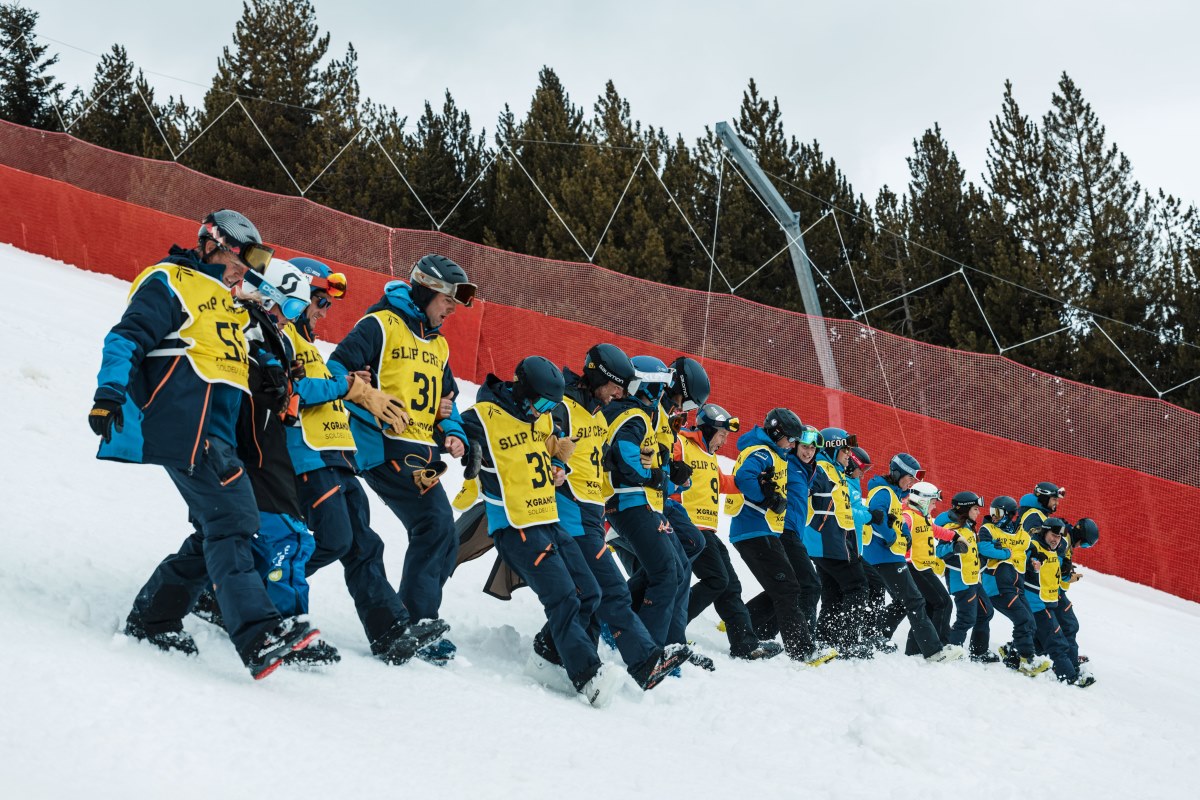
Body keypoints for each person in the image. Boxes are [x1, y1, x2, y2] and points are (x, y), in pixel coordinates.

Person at [90, 209, 320, 680]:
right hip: (186, 425)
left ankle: (153, 619)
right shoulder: (171, 279)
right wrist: (109, 392)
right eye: (241, 258)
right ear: (212, 244)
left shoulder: (233, 304)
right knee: (235, 520)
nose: (245, 271)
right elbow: (128, 335)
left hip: (218, 433)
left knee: (218, 528)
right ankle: (257, 634)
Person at [282, 257, 448, 665]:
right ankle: (250, 595)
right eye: (320, 303)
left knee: (364, 545)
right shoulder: (284, 336)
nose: (325, 313)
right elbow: (296, 390)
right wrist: (352, 388)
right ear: (298, 296)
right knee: (331, 540)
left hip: (335, 454)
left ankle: (390, 631)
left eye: (327, 306)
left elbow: (331, 385)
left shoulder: (308, 343)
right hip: (307, 455)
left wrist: (352, 389)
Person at [327, 254, 475, 664]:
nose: (451, 308)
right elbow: (335, 370)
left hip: (422, 451)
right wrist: (363, 396)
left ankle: (411, 617)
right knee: (435, 524)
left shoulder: (439, 344)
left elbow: (448, 403)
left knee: (444, 539)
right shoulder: (380, 325)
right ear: (426, 289)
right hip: (386, 447)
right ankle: (418, 621)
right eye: (447, 298)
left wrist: (454, 432)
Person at [459, 356, 622, 707]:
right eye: (542, 402)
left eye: (551, 405)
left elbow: (554, 445)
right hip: (515, 525)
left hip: (547, 518)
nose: (543, 411)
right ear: (521, 390)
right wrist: (463, 446)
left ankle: (550, 657)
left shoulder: (541, 417)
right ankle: (586, 674)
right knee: (563, 596)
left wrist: (559, 466)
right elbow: (457, 430)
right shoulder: (486, 417)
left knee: (590, 592)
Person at [532, 344, 691, 688]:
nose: (620, 393)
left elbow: (603, 462)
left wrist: (647, 464)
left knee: (591, 592)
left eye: (625, 387)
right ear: (597, 378)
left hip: (591, 511)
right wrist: (554, 462)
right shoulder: (567, 407)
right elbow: (542, 440)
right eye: (616, 386)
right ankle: (643, 661)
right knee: (613, 589)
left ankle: (555, 649)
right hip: (569, 512)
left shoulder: (596, 414)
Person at [728, 409, 836, 666]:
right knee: (796, 586)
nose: (802, 449)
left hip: (771, 529)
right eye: (797, 442)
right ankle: (802, 648)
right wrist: (766, 497)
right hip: (761, 528)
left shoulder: (781, 457)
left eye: (812, 448)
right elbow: (744, 477)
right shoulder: (770, 454)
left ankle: (749, 627)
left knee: (787, 586)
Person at [676, 403, 781, 660]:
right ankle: (671, 625)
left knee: (729, 584)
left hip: (706, 531)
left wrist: (754, 483)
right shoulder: (682, 444)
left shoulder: (709, 456)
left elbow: (721, 483)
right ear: (708, 429)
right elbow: (668, 466)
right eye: (721, 434)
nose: (724, 441)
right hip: (688, 527)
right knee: (718, 580)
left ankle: (745, 643)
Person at [602, 355, 691, 653]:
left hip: (640, 504)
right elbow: (628, 459)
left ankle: (662, 643)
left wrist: (662, 475)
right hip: (631, 503)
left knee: (674, 571)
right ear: (649, 387)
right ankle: (649, 649)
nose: (665, 394)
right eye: (662, 387)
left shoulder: (637, 413)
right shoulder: (633, 416)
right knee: (667, 574)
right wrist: (652, 476)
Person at [863, 453, 951, 661]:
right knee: (915, 600)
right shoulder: (883, 492)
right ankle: (933, 651)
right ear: (897, 473)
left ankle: (876, 636)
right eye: (909, 478)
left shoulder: (894, 494)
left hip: (889, 555)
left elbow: (894, 518)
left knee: (906, 601)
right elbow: (877, 518)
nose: (911, 483)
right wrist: (893, 537)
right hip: (884, 555)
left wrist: (904, 534)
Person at [745, 423, 823, 641]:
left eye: (813, 449)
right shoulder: (788, 463)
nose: (808, 452)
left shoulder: (808, 469)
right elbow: (764, 476)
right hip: (782, 530)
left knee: (788, 586)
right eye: (805, 446)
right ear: (796, 444)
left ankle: (747, 622)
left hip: (794, 532)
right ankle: (806, 639)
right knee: (810, 584)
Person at [803, 427, 871, 656]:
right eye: (845, 449)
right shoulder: (822, 470)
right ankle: (848, 642)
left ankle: (826, 638)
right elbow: (805, 494)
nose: (848, 455)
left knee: (833, 592)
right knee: (858, 587)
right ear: (832, 449)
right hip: (827, 542)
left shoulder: (835, 471)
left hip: (830, 543)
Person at [980, 496, 1051, 676]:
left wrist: (1035, 562)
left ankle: (1013, 655)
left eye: (998, 513)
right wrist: (1005, 553)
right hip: (997, 586)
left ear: (1010, 515)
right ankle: (1027, 660)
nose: (993, 516)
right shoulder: (988, 529)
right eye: (992, 512)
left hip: (1016, 586)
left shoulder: (1023, 536)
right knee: (1023, 620)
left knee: (1031, 623)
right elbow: (984, 548)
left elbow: (1032, 553)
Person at [1023, 517, 1094, 687]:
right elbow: (1022, 563)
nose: (1056, 540)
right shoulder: (1033, 547)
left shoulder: (1056, 548)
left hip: (1049, 601)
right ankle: (1069, 676)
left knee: (1041, 641)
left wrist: (1067, 572)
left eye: (1059, 537)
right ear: (1044, 532)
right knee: (1056, 640)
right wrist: (1031, 563)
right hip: (1036, 603)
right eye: (1053, 535)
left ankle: (1014, 653)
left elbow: (1058, 572)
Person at [937, 491, 1000, 662]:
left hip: (974, 579)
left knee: (986, 612)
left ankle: (978, 651)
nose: (978, 512)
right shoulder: (952, 529)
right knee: (967, 618)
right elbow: (939, 551)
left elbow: (972, 553)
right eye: (974, 508)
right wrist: (953, 548)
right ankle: (951, 649)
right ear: (965, 510)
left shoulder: (968, 529)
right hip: (961, 581)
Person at [902, 481, 962, 660]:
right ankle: (940, 646)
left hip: (924, 567)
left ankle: (914, 649)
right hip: (914, 566)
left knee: (928, 606)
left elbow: (933, 530)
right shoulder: (908, 516)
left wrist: (954, 536)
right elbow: (900, 528)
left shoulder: (923, 516)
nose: (935, 505)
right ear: (922, 500)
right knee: (943, 603)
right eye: (933, 501)